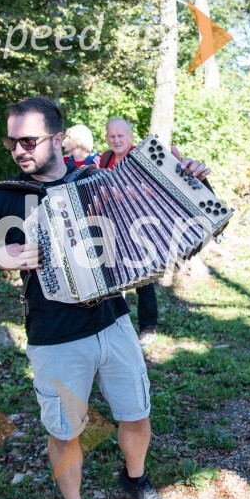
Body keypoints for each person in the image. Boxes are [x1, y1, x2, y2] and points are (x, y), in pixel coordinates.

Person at [0, 97, 209, 499]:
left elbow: (166, 207)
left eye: (29, 141)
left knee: (136, 414)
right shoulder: (6, 198)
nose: (19, 150)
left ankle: (136, 478)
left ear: (56, 138)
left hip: (113, 321)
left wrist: (189, 178)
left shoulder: (97, 178)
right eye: (12, 142)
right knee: (66, 432)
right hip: (54, 336)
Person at [99, 117, 159, 347]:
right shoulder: (105, 158)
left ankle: (148, 328)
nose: (116, 140)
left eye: (120, 135)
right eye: (112, 136)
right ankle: (116, 324)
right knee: (114, 279)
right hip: (113, 227)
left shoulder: (142, 158)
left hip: (141, 225)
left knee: (144, 279)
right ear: (107, 138)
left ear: (131, 136)